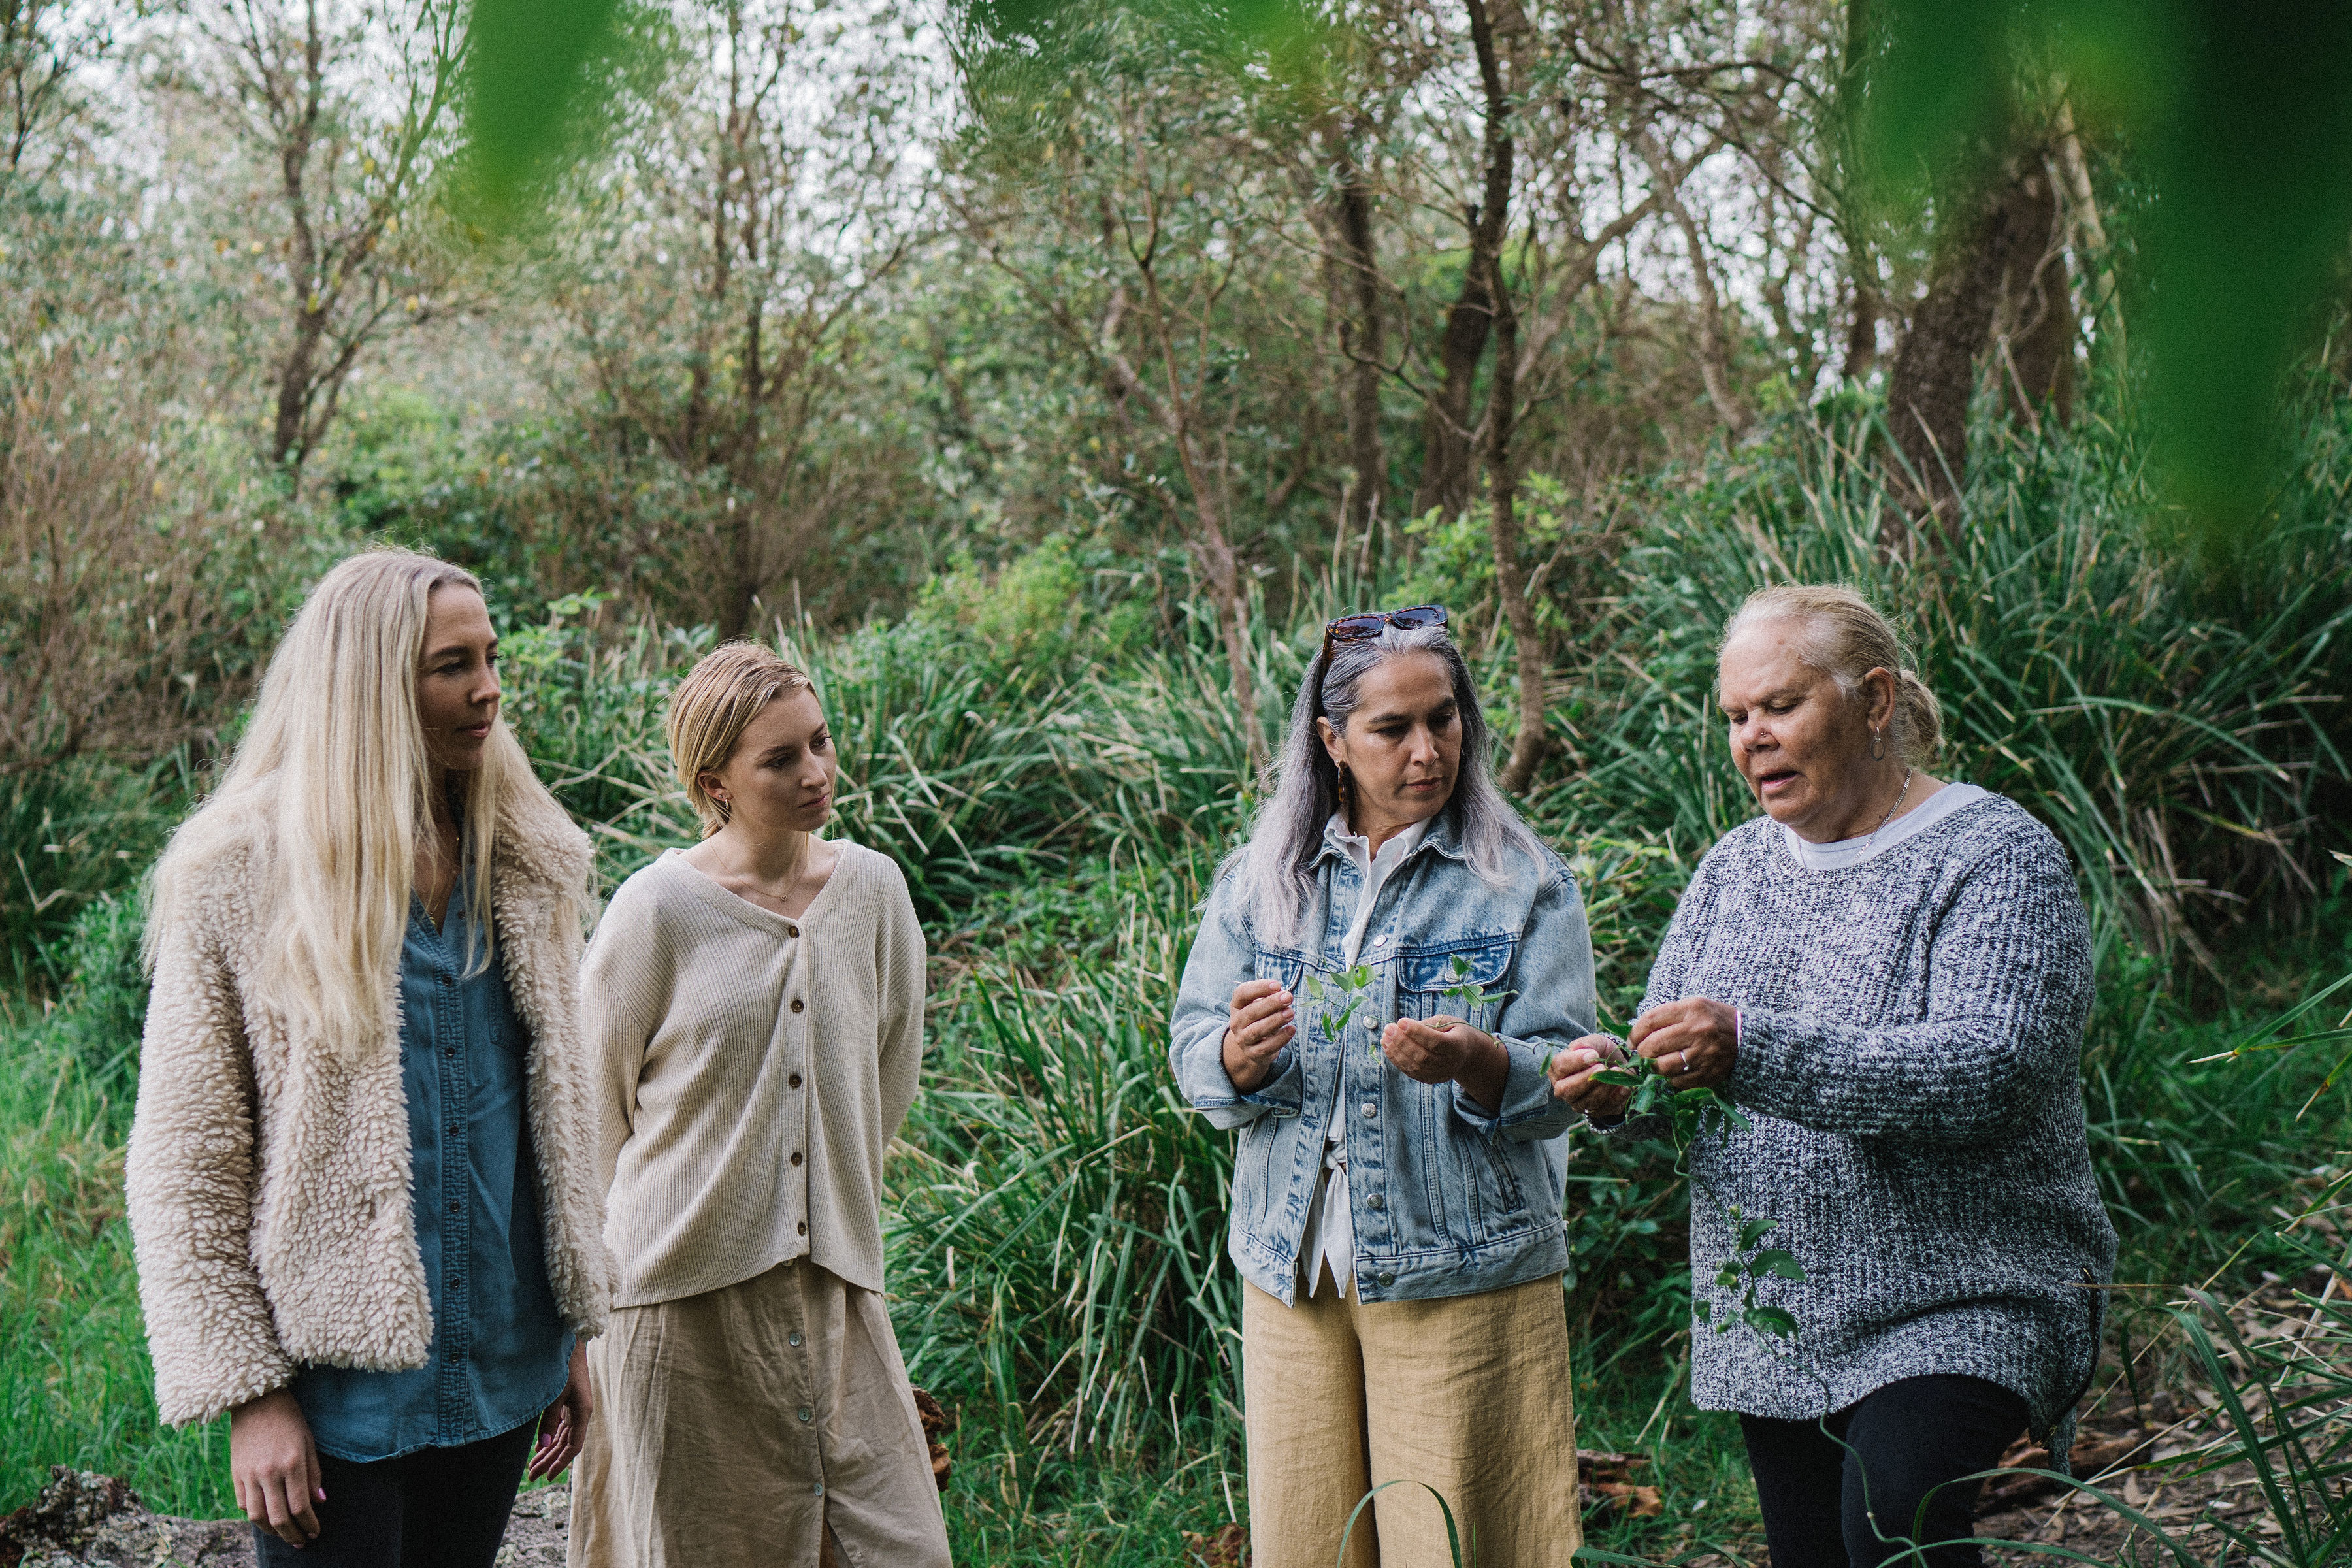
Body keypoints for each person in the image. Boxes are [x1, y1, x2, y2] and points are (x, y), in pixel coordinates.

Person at [1552, 585, 2117, 1568]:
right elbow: (1683, 1081)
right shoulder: (1733, 871)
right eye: (1735, 717)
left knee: (1894, 1519)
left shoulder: (1994, 855)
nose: (1752, 738)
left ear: (1876, 700)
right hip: (1775, 1301)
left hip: (1966, 1292)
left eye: (1780, 706)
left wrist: (1751, 1047)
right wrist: (1621, 1089)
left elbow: (1992, 1072)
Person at [127, 549, 610, 1566]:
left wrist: (566, 1333)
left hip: (501, 1363)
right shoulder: (238, 877)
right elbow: (185, 1164)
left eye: (490, 655)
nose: (489, 688)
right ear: (371, 684)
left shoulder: (522, 860)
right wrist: (250, 1396)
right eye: (451, 665)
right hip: (333, 1392)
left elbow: (550, 1125)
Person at [1169, 605, 1597, 1568]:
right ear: (1331, 740)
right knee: (1313, 1545)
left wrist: (1477, 1063)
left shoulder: (1523, 882)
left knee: (1463, 1546)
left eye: (1442, 719)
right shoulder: (1261, 880)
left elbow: (1565, 1081)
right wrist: (1237, 1059)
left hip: (1464, 1267)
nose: (1428, 750)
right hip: (1294, 1270)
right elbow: (1194, 1046)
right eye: (1393, 729)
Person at [568, 641, 949, 1568]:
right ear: (717, 782)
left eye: (819, 742)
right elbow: (591, 1118)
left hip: (834, 1283)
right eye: (781, 759)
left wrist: (820, 1187)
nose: (816, 772)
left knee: (894, 1543)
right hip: (676, 1307)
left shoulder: (874, 891)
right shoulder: (655, 909)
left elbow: (886, 1076)